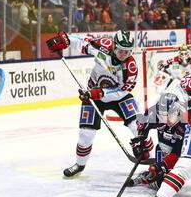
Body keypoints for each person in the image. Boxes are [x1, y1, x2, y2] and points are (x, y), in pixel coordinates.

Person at [46, 30, 147, 177]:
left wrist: (100, 93)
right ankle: (79, 165)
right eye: (120, 50)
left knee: (138, 126)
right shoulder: (103, 46)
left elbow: (123, 90)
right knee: (85, 133)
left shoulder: (131, 68)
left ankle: (153, 162)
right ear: (114, 46)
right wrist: (66, 39)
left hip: (119, 97)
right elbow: (82, 42)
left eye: (127, 51)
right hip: (93, 95)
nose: (123, 54)